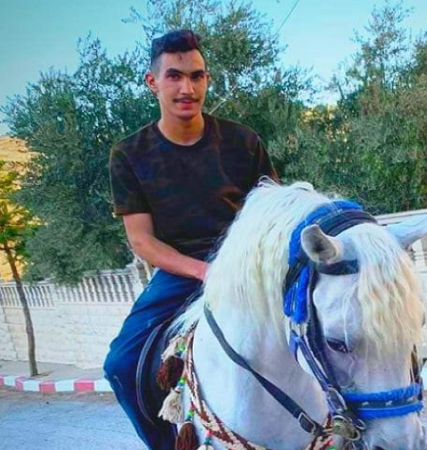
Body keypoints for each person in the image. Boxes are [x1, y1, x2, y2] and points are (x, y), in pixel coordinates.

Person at [103, 29, 279, 450]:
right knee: (121, 365)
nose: (187, 88)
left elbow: (272, 213)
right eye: (175, 76)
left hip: (248, 265)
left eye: (197, 76)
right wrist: (205, 271)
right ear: (153, 83)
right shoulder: (129, 154)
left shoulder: (243, 141)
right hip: (181, 272)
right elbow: (143, 242)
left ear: (207, 79)